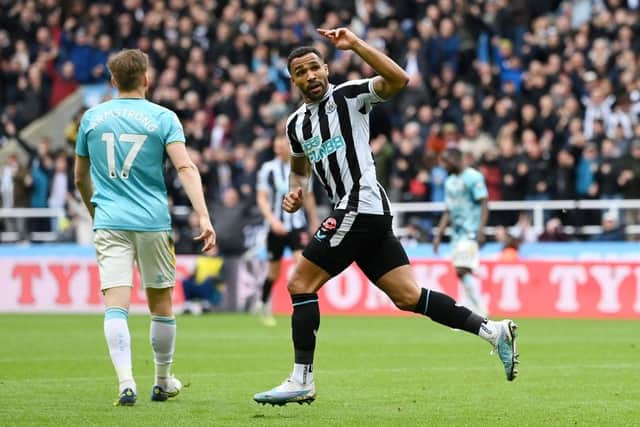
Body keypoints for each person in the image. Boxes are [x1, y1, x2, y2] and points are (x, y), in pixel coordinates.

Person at [253, 28, 519, 407]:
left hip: (360, 205)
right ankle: (493, 331)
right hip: (362, 214)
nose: (310, 76)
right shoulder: (296, 125)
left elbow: (399, 79)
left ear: (326, 69)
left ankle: (301, 380)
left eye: (315, 67)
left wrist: (357, 45)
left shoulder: (349, 97)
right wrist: (296, 191)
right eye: (301, 71)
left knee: (299, 283)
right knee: (408, 296)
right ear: (292, 79)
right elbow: (300, 169)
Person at [74, 49, 216, 406]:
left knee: (116, 306)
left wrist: (96, 211)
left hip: (109, 221)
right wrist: (203, 215)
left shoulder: (91, 118)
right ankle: (163, 379)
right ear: (146, 79)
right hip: (152, 221)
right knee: (161, 304)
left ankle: (126, 382)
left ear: (112, 80)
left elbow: (80, 177)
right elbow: (185, 167)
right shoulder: (164, 117)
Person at [255, 135, 317, 326]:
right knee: (274, 273)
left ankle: (301, 307)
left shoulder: (302, 168)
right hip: (276, 228)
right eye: (276, 146)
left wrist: (314, 220)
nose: (278, 149)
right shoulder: (268, 170)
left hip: (297, 226)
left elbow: (308, 197)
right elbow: (262, 198)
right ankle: (263, 304)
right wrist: (273, 221)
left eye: (282, 146)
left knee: (301, 265)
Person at [433, 148, 490, 316]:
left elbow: (485, 202)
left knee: (462, 269)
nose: (443, 166)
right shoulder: (450, 181)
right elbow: (448, 210)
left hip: (470, 231)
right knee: (463, 272)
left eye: (445, 161)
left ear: (455, 159)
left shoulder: (474, 177)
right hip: (456, 234)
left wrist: (481, 229)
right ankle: (469, 314)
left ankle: (480, 309)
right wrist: (439, 234)